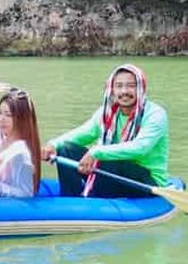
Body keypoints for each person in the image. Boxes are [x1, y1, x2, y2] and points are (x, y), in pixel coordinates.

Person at [41, 64, 169, 197]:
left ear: (141, 88)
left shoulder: (155, 114)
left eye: (131, 86)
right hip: (114, 174)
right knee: (66, 149)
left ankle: (100, 200)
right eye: (119, 86)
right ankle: (71, 200)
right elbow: (83, 133)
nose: (124, 91)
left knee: (109, 158)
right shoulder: (107, 112)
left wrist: (96, 152)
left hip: (146, 182)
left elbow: (140, 148)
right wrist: (53, 145)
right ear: (112, 89)